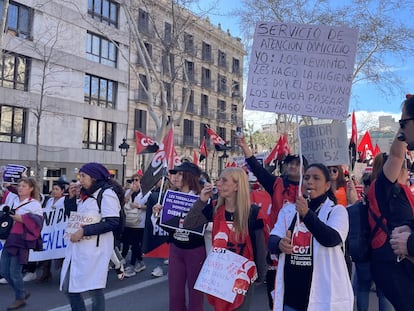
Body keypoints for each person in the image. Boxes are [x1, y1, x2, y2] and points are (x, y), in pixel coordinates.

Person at [268, 163, 354, 311]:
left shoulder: (336, 211)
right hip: (292, 298)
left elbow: (331, 239)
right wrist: (279, 244)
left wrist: (307, 215)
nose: (310, 182)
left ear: (327, 186)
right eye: (306, 177)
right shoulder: (288, 211)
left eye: (316, 178)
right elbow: (272, 238)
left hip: (324, 298)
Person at [236, 134, 307, 309]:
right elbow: (258, 171)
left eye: (298, 163)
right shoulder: (276, 184)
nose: (292, 165)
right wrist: (245, 148)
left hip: (303, 248)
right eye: (290, 162)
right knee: (275, 291)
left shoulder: (311, 188)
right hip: (276, 245)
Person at [184, 167, 267, 311]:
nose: (219, 183)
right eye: (219, 179)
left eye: (224, 180)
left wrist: (260, 274)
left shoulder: (253, 213)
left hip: (243, 275)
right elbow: (189, 224)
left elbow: (260, 246)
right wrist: (201, 201)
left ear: (236, 186)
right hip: (220, 274)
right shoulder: (215, 208)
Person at [60, 162, 122, 311]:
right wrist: (70, 198)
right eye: (79, 176)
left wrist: (84, 231)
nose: (80, 180)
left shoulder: (106, 194)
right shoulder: (86, 195)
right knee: (68, 287)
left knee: (94, 289)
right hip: (78, 248)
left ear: (94, 177)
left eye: (83, 176)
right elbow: (74, 217)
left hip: (95, 250)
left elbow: (113, 222)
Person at [367, 133, 414, 311]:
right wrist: (404, 129)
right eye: (405, 166)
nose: (407, 169)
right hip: (391, 262)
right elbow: (396, 155)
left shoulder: (404, 191)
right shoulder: (384, 188)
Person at [152, 162, 206, 311]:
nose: (174, 177)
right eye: (174, 174)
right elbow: (168, 228)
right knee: (175, 293)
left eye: (179, 174)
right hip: (176, 248)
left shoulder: (201, 198)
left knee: (195, 294)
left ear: (189, 177)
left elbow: (206, 224)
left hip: (196, 249)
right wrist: (158, 215)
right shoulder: (171, 197)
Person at [351, 172, 394, 311]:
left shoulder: (357, 207)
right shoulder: (387, 207)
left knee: (363, 287)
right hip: (382, 252)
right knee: (384, 291)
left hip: (362, 253)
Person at [0, 177, 43, 310]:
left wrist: (21, 218)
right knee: (4, 271)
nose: (20, 188)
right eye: (19, 185)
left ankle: (19, 298)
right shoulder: (13, 200)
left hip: (21, 240)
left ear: (31, 188)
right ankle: (22, 292)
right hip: (10, 238)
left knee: (14, 272)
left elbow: (38, 222)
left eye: (24, 186)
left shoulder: (34, 204)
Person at [121, 173, 151, 277]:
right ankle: (140, 262)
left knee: (135, 244)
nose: (134, 182)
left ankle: (133, 265)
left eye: (137, 180)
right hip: (129, 221)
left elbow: (149, 207)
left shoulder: (147, 193)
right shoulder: (129, 192)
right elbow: (124, 201)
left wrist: (138, 206)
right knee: (131, 243)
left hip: (140, 222)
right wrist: (131, 192)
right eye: (133, 180)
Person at [37, 181, 66, 282]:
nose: (54, 191)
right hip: (49, 229)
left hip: (59, 229)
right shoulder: (49, 201)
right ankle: (46, 272)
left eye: (57, 189)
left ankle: (64, 274)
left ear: (62, 191)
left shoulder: (64, 200)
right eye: (53, 189)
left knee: (60, 253)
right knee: (46, 249)